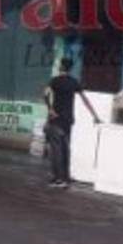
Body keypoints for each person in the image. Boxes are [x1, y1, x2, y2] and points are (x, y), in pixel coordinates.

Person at [42, 57, 99, 188]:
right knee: (65, 149)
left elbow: (45, 94)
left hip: (56, 120)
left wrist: (50, 109)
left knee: (56, 150)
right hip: (68, 120)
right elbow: (85, 100)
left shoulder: (54, 81)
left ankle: (58, 179)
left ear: (61, 66)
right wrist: (95, 116)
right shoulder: (74, 82)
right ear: (70, 68)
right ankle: (65, 178)